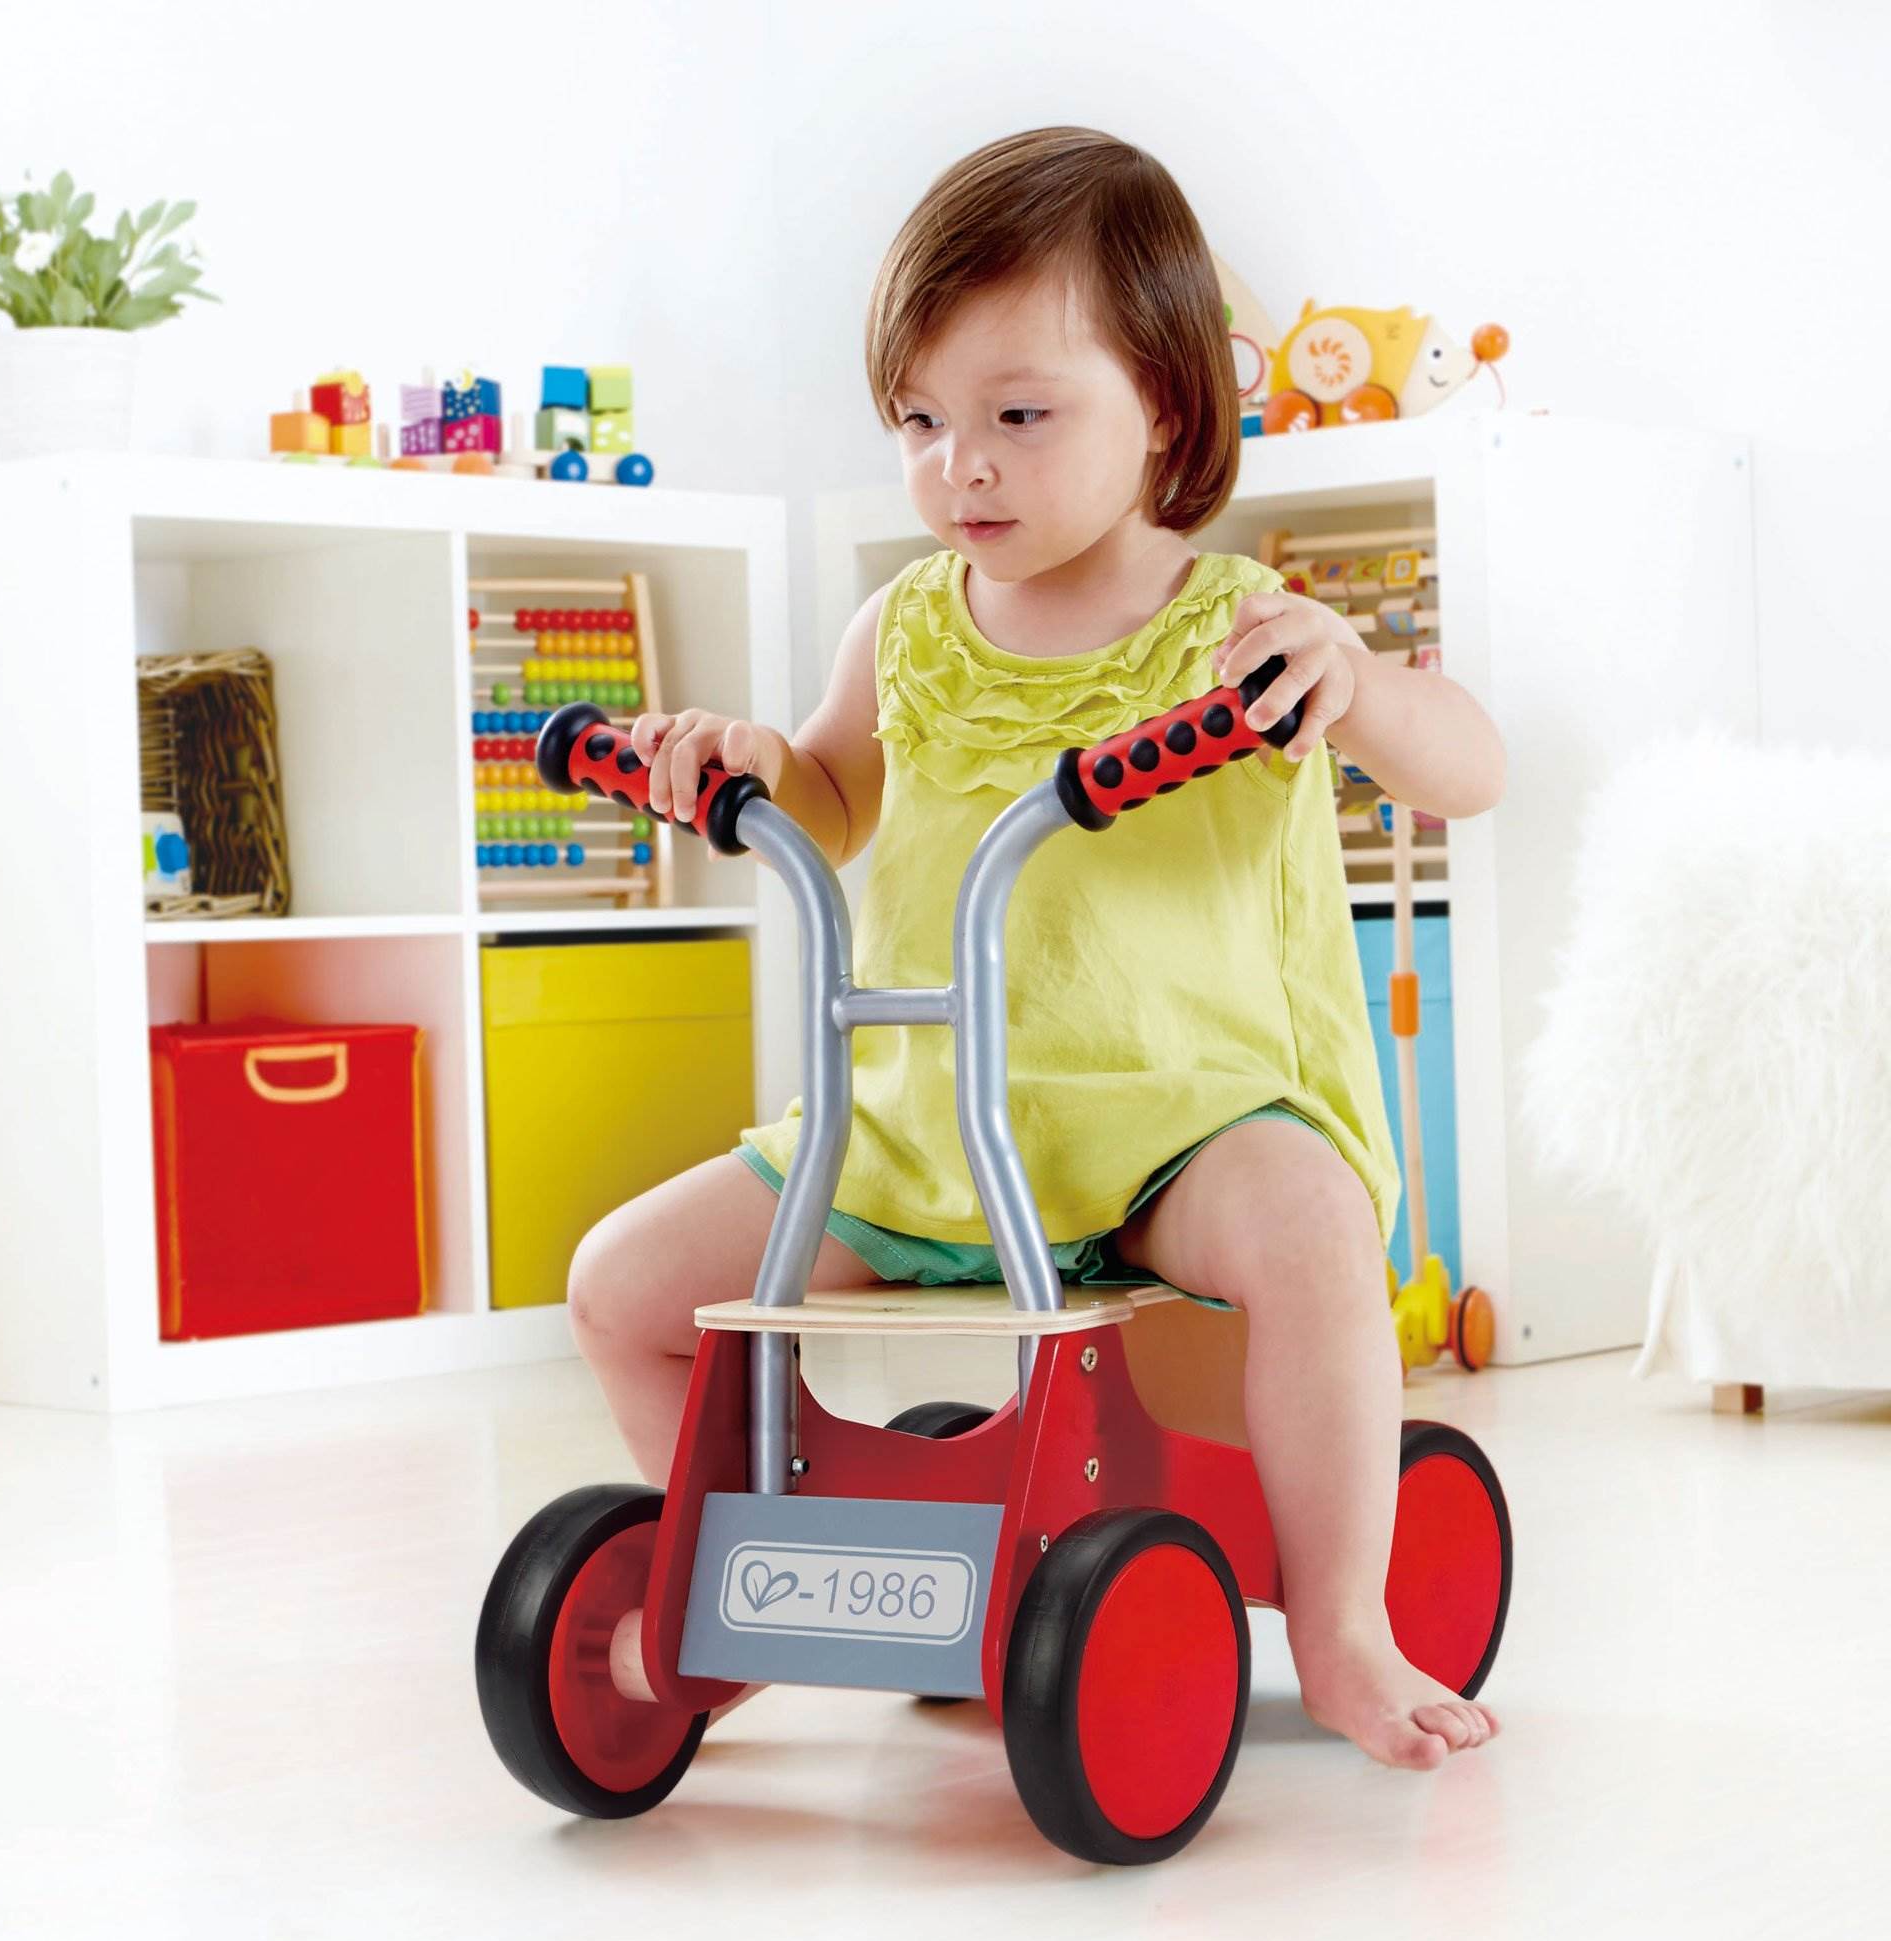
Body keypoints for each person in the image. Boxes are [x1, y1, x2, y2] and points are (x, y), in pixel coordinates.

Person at [569, 127, 1508, 1771]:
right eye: (921, 422)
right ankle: (765, 1566)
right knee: (622, 1286)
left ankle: (1346, 1626)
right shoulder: (904, 627)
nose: (963, 470)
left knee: (1308, 1232)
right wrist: (742, 762)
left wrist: (1358, 687)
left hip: (1173, 1122)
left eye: (1018, 416)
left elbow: (1472, 769)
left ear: (1167, 408)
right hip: (920, 1127)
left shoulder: (1239, 626)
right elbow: (829, 797)